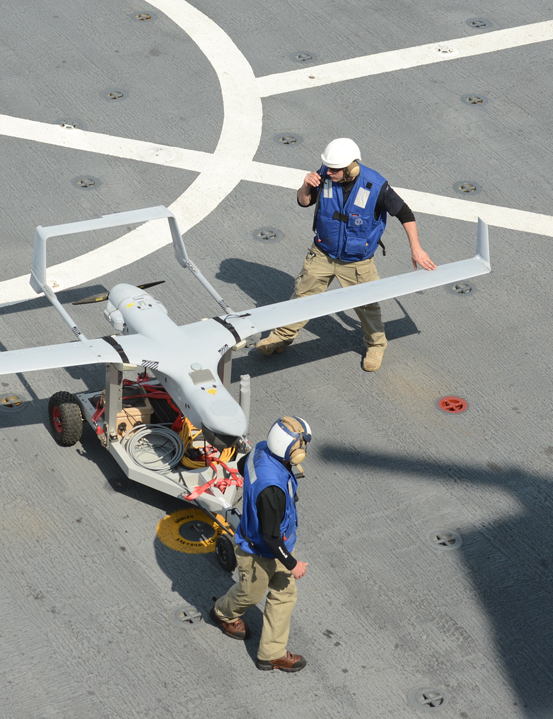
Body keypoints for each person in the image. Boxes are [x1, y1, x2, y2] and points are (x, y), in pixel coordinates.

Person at [256, 138, 436, 371]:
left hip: (357, 260)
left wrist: (416, 248)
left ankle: (376, 346)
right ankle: (281, 337)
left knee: (368, 306)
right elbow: (304, 202)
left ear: (351, 168)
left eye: (334, 169)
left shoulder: (376, 185)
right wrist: (306, 186)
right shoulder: (325, 175)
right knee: (302, 296)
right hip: (322, 252)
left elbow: (405, 214)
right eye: (327, 167)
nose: (328, 172)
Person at [211, 417, 312, 672]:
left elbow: (245, 465)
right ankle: (222, 613)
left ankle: (271, 653)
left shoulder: (261, 449)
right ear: (290, 449)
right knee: (250, 593)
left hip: (275, 540)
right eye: (301, 444)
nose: (304, 449)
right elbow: (270, 537)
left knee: (285, 594)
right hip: (257, 550)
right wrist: (293, 564)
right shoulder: (272, 490)